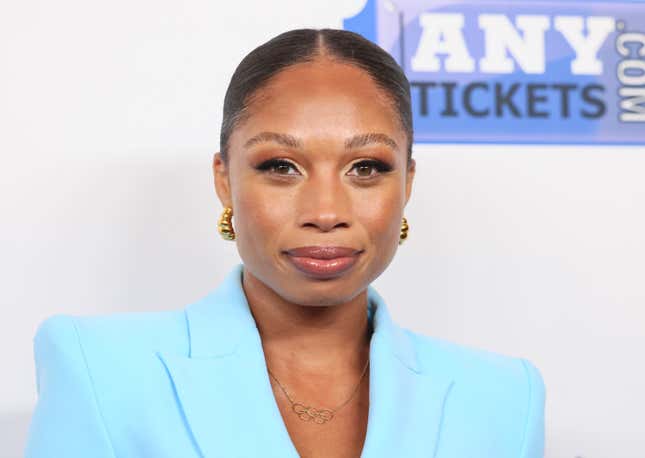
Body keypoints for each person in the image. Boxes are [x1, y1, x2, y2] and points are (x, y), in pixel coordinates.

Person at [24, 28, 545, 458]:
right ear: (224, 179)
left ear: (407, 183)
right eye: (281, 166)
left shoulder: (503, 398)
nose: (325, 213)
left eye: (367, 168)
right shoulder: (99, 369)